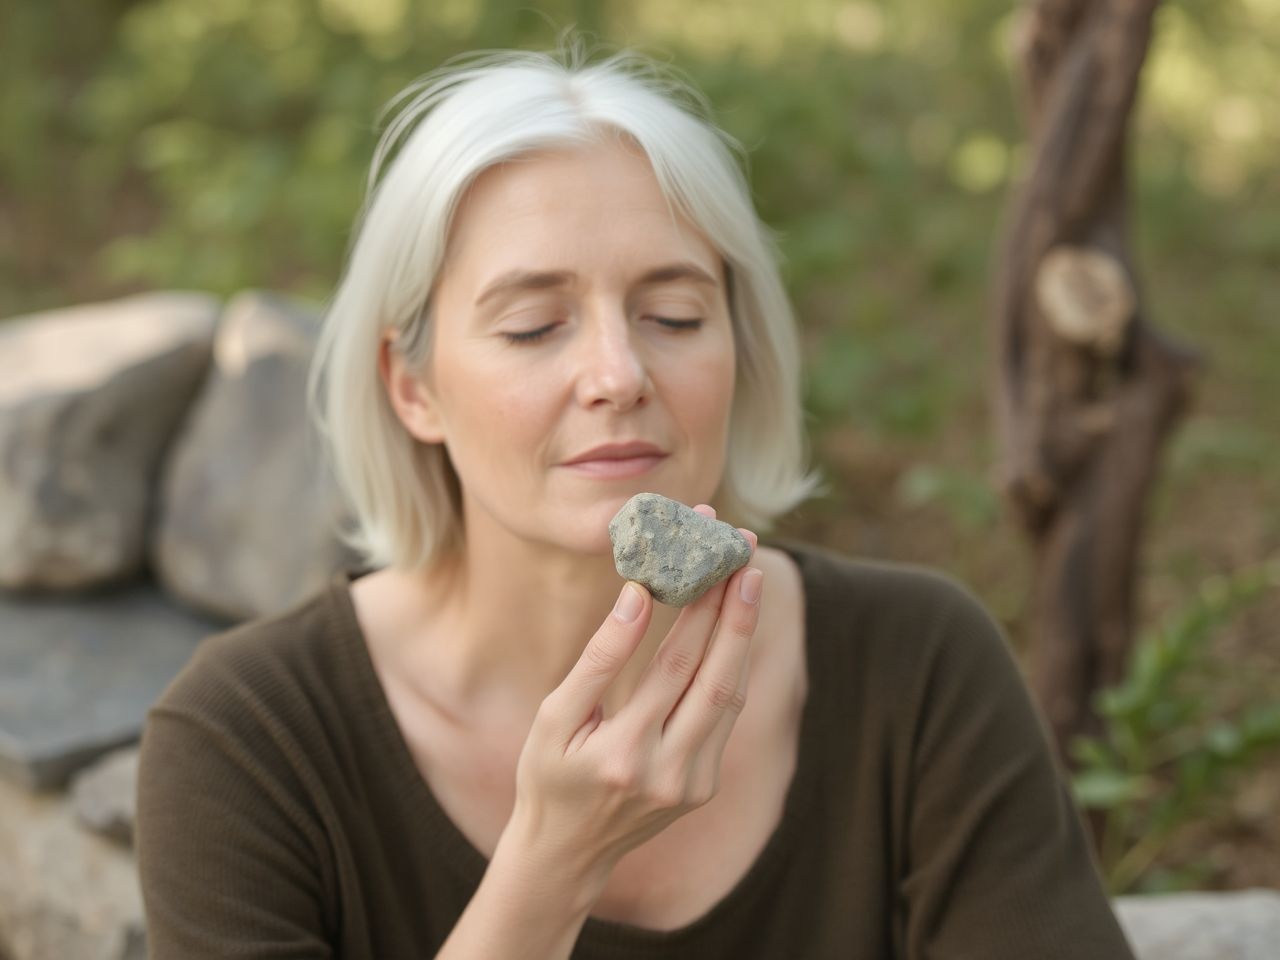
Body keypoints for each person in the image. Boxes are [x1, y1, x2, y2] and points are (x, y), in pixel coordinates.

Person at [135, 34, 1138, 959]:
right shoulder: (245, 742)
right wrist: (550, 867)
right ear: (413, 387)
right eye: (534, 326)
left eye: (674, 314)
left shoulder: (915, 669)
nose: (619, 375)